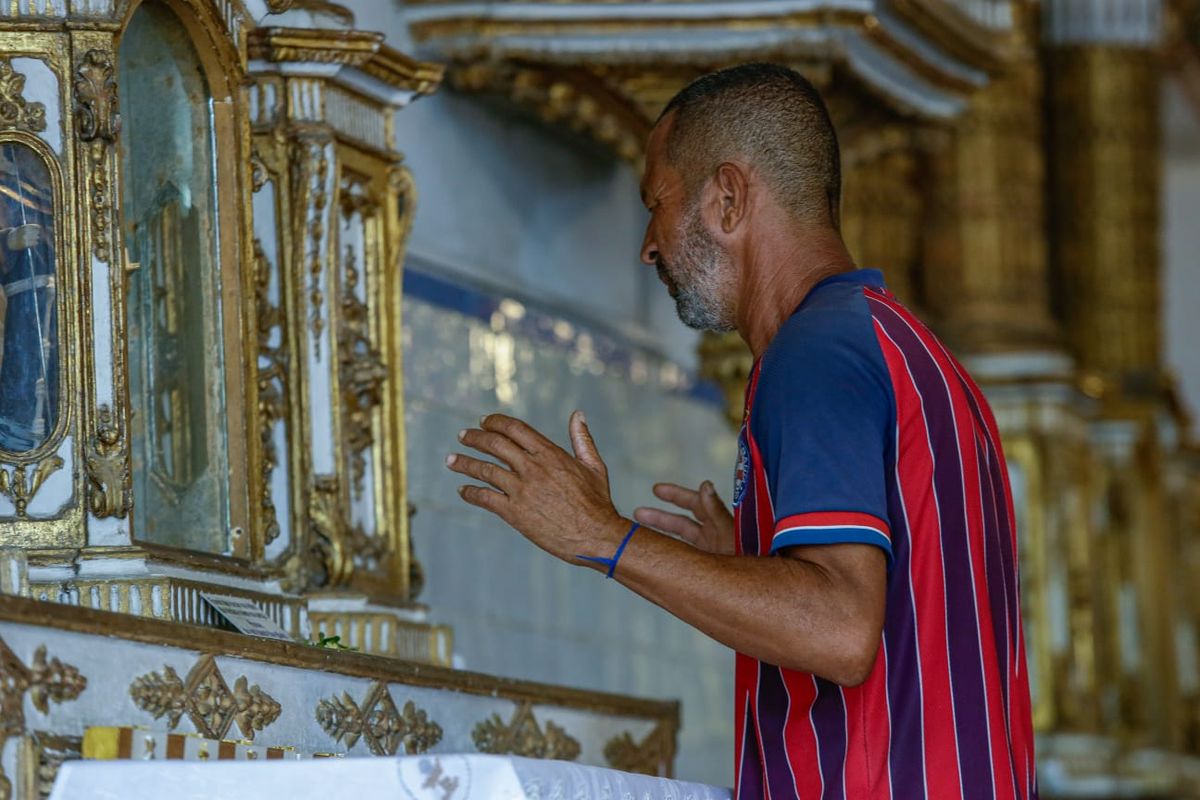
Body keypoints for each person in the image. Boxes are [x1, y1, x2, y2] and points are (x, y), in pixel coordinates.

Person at [446, 62, 1036, 799]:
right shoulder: (917, 356)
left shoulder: (815, 353)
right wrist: (750, 565)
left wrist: (602, 536)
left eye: (655, 203)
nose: (648, 246)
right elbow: (899, 608)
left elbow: (841, 630)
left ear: (727, 197)